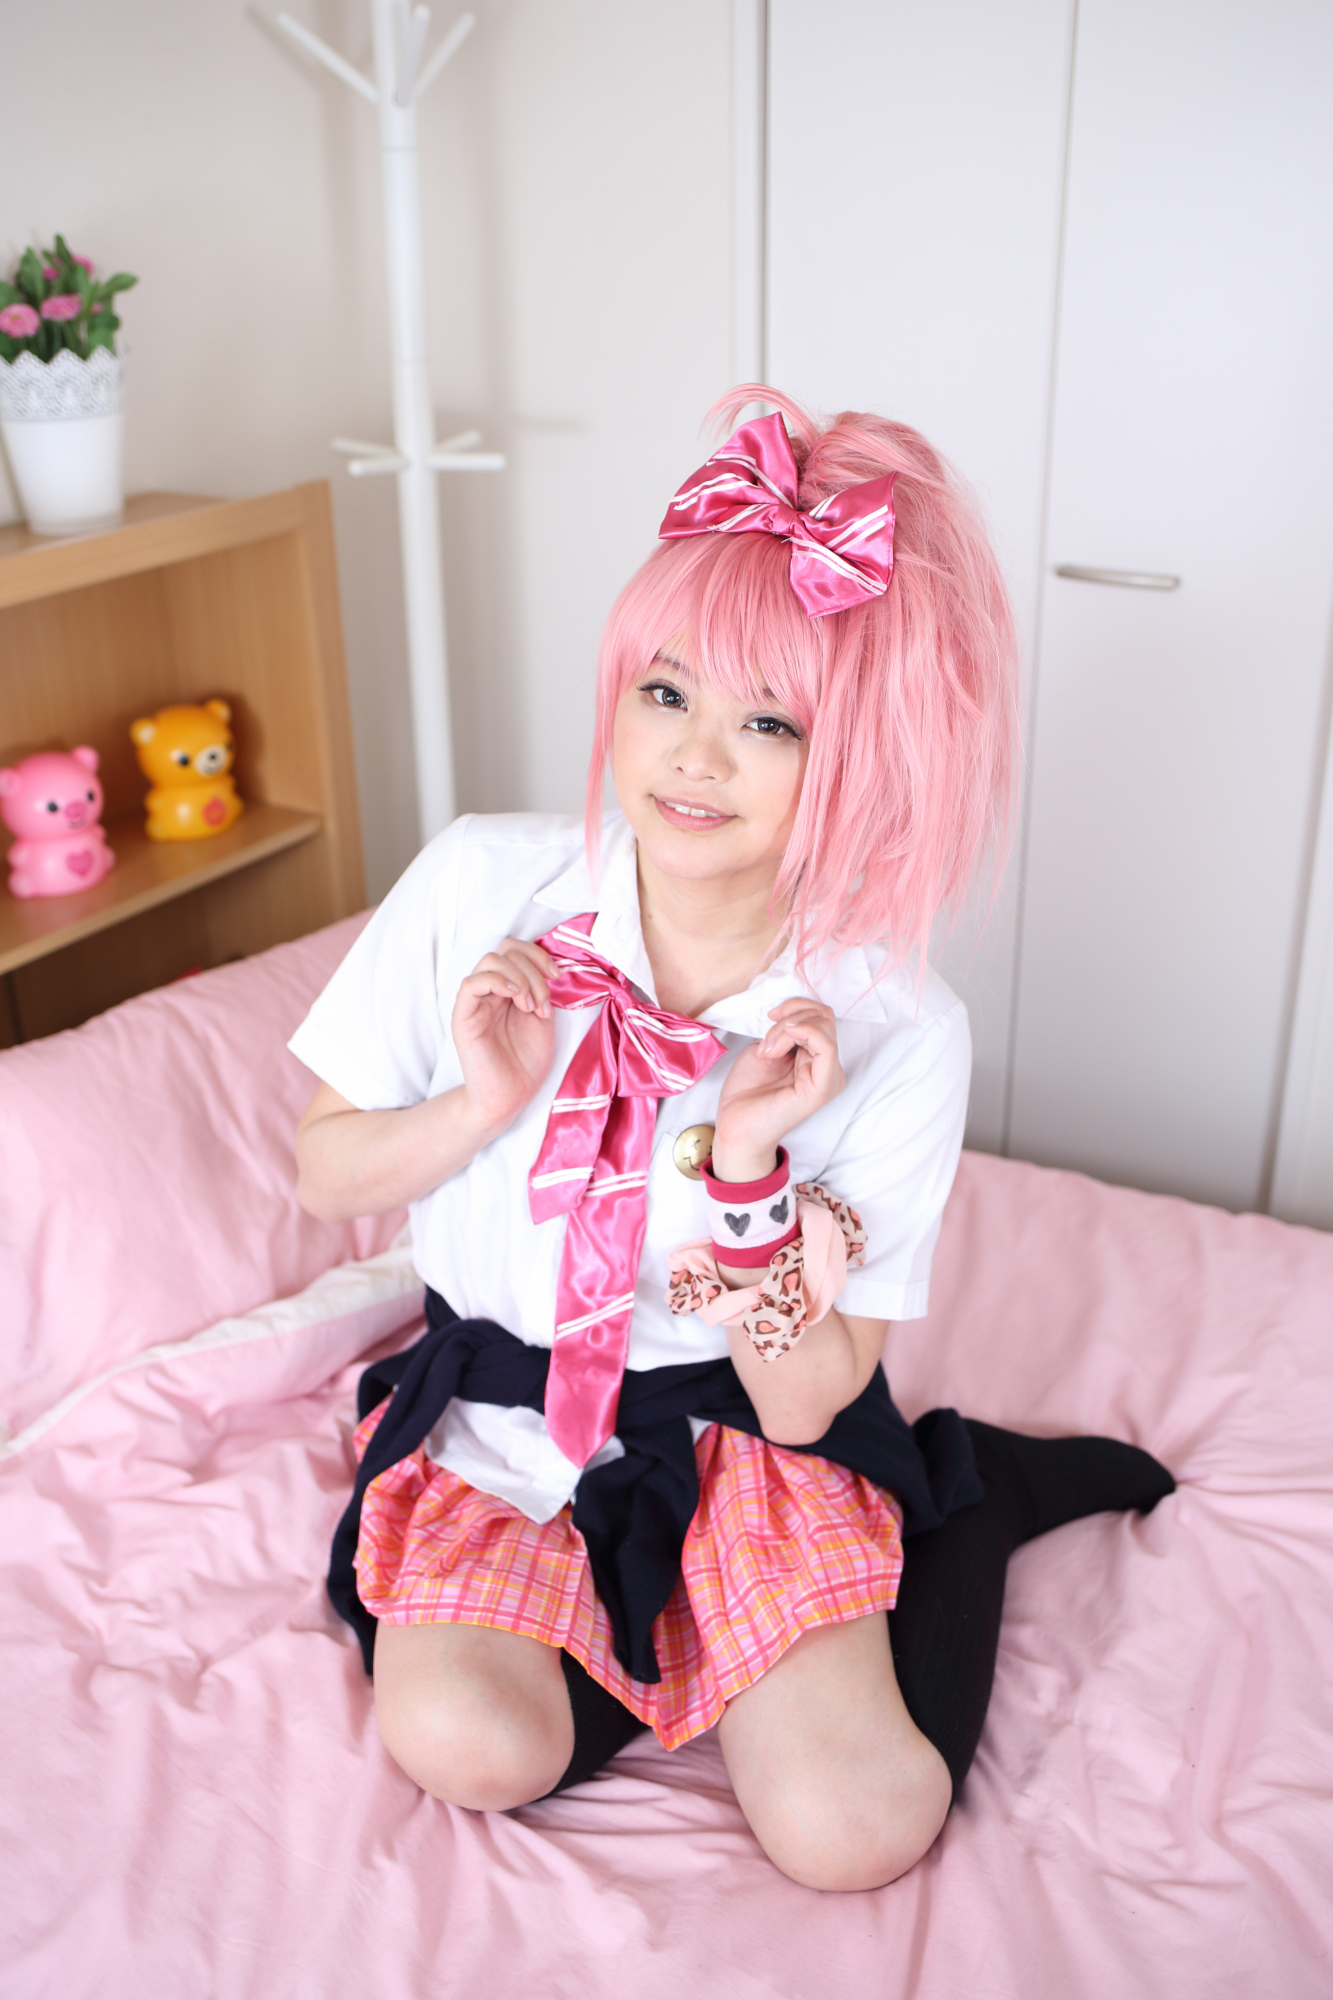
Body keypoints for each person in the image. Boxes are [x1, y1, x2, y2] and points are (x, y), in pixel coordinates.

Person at [290, 388, 1174, 1892]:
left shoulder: (896, 1024)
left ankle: (967, 1497)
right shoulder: (480, 886)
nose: (693, 758)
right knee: (462, 1743)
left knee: (854, 1834)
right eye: (665, 692)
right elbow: (324, 1172)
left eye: (768, 722)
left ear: (861, 754)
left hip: (747, 1435)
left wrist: (753, 1174)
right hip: (506, 1431)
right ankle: (653, 1637)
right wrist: (479, 1107)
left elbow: (813, 1396)